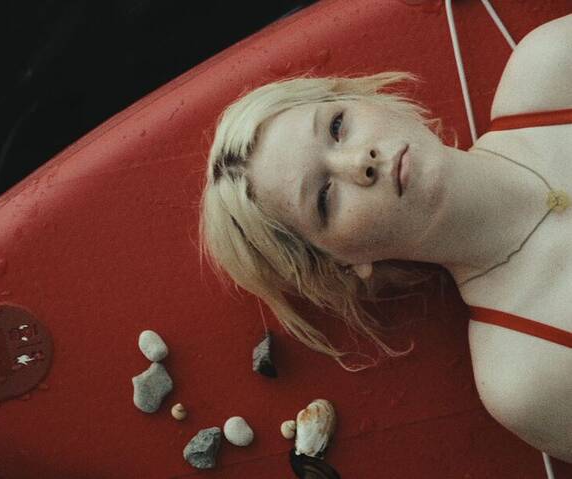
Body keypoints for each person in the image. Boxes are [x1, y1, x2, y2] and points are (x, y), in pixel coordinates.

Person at [200, 13, 572, 464]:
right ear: (341, 261)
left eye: (337, 127)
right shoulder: (525, 372)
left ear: (366, 99)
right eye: (324, 197)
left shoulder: (552, 66)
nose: (360, 161)